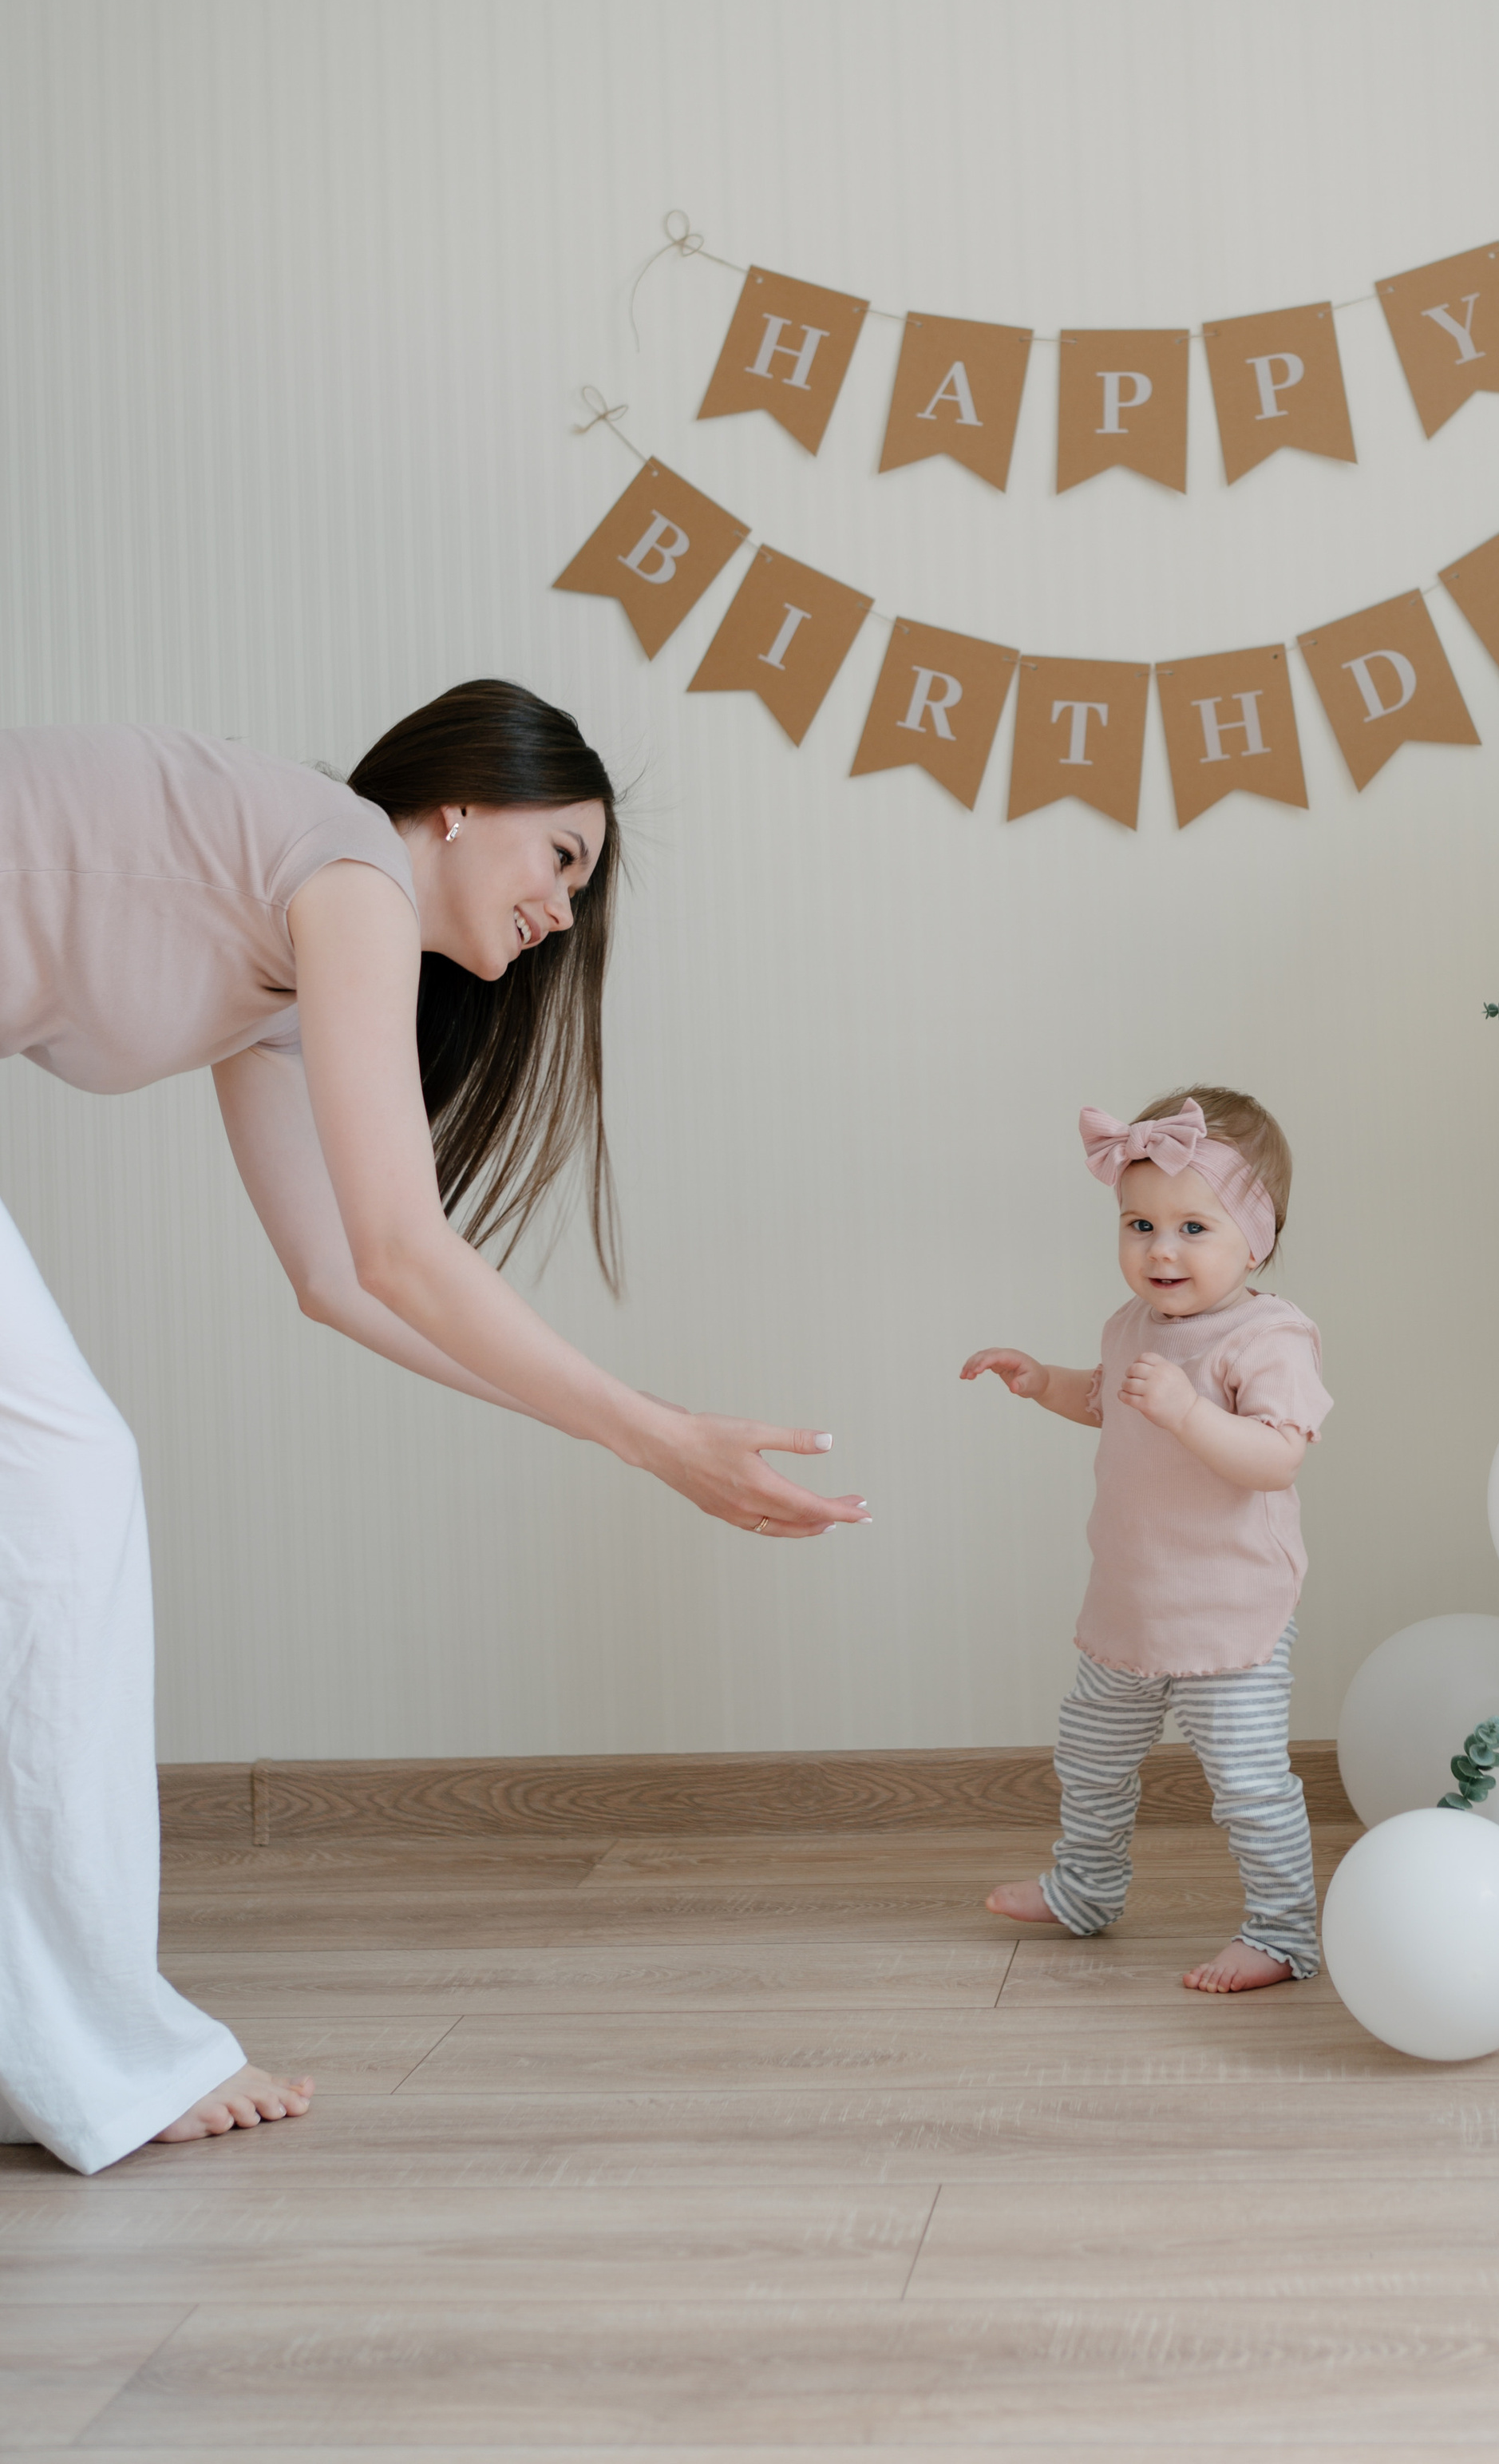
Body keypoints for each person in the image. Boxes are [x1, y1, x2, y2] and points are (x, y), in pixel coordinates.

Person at [0, 683, 867, 2175]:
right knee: (70, 1490)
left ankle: (84, 2041)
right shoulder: (341, 864)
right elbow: (404, 1250)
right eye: (564, 859)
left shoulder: (292, 951)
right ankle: (101, 2054)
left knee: (60, 1492)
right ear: (459, 805)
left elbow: (340, 1277)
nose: (562, 912)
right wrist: (655, 1444)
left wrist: (640, 1425)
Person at [960, 1087, 1329, 1992]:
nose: (1161, 1249)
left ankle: (1283, 1935)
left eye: (1193, 1227)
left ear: (1258, 1238)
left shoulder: (1269, 1337)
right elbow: (1104, 1399)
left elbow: (1276, 1459)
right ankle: (1085, 1889)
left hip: (1228, 1613)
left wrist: (1189, 1412)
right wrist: (1042, 1379)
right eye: (1138, 1224)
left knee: (1244, 1782)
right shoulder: (1131, 1327)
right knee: (1088, 1754)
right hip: (1131, 1601)